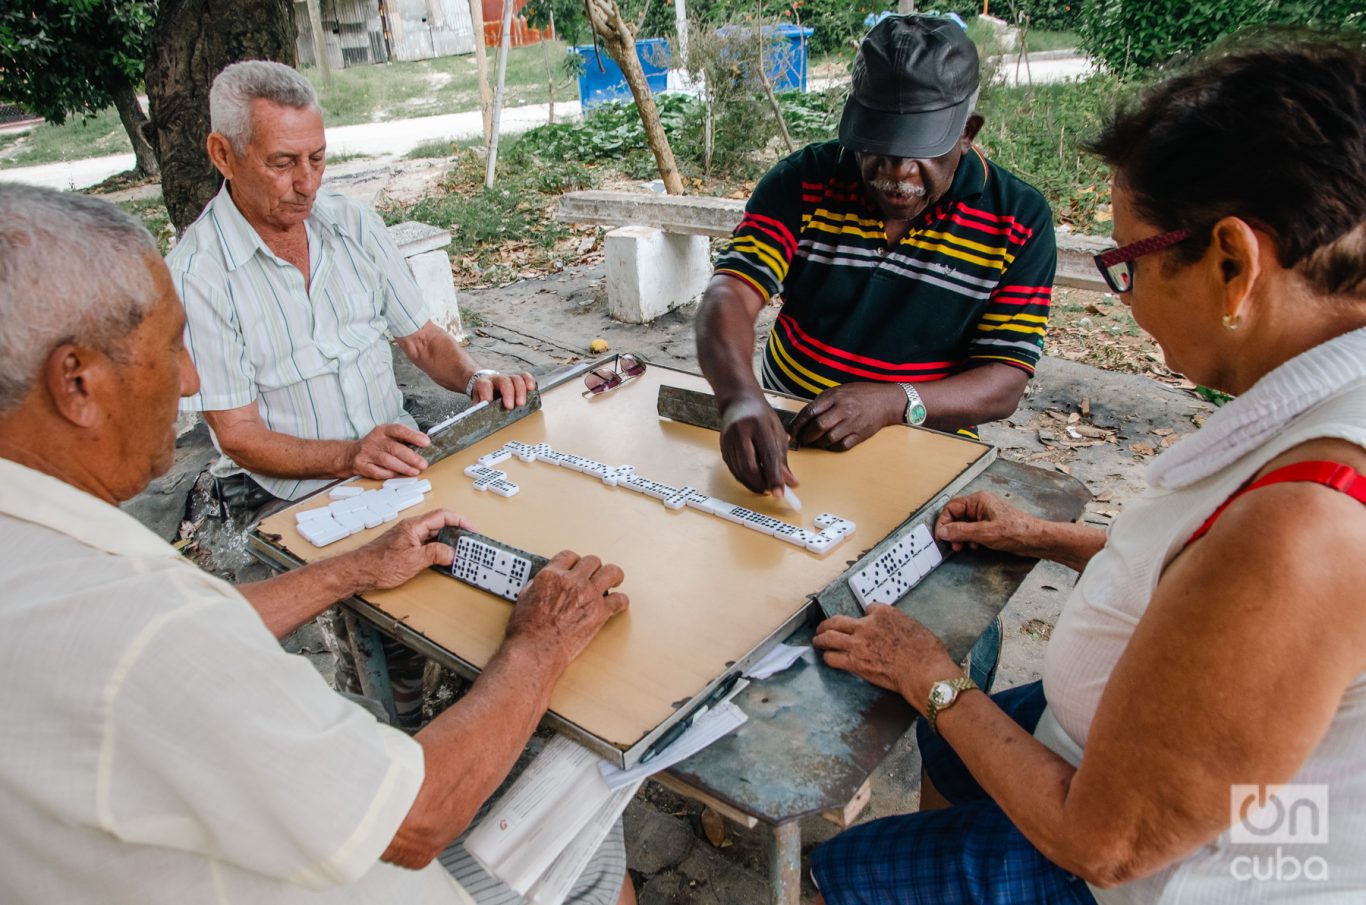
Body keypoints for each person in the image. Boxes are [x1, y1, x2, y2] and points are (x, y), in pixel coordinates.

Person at [808, 33, 1366, 904]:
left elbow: (1103, 842)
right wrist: (1043, 534)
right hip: (1106, 744)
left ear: (1232, 263)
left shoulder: (1310, 523)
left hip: (1147, 863)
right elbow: (1205, 577)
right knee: (953, 741)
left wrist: (930, 670)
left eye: (1126, 265)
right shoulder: (1321, 412)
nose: (1128, 295)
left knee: (839, 871)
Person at [0, 183, 636, 905]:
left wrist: (352, 569)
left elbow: (187, 629)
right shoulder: (148, 633)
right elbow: (415, 818)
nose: (191, 378)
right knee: (584, 812)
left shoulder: (43, 559)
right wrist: (541, 643)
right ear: (76, 383)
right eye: (173, 348)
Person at [167, 60, 534, 723]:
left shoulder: (352, 226)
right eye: (282, 162)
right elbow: (239, 435)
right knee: (391, 640)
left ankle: (463, 698)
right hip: (299, 495)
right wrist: (349, 456)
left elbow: (421, 340)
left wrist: (477, 378)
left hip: (399, 461)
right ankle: (399, 732)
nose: (306, 182)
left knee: (495, 564)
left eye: (317, 158)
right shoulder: (199, 273)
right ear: (224, 154)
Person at [696, 14, 1055, 500]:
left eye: (920, 153)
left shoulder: (1018, 219)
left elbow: (1004, 381)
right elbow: (731, 294)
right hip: (788, 428)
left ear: (966, 132)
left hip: (925, 441)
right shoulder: (805, 180)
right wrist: (739, 398)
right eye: (879, 150)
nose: (896, 174)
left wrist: (895, 401)